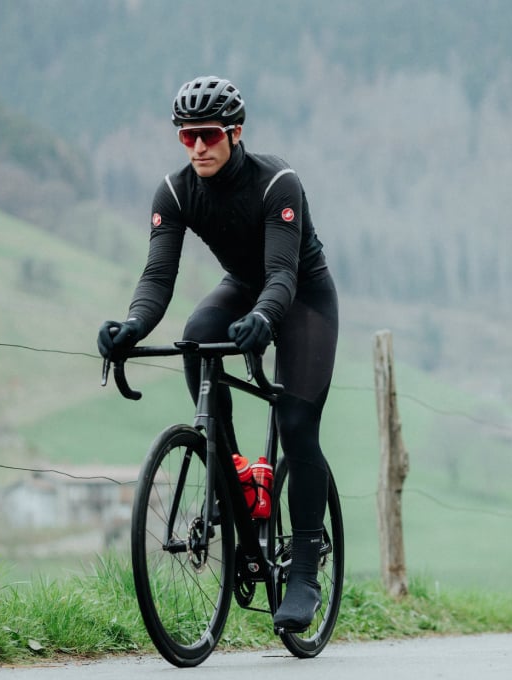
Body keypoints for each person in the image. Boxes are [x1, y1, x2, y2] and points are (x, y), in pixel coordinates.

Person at [97, 75, 339, 632]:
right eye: (186, 138)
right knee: (194, 336)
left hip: (303, 297)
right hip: (242, 288)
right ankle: (232, 485)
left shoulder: (277, 182)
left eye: (207, 135)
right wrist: (131, 327)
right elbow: (158, 277)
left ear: (234, 132)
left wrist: (263, 319)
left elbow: (281, 276)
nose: (198, 147)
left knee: (297, 423)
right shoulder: (176, 191)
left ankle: (303, 569)